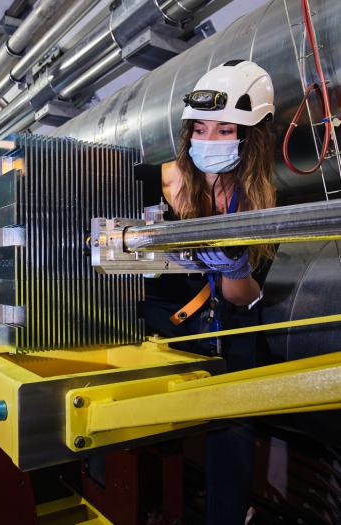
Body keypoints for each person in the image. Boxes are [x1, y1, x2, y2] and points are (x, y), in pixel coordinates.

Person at [140, 60, 277, 524]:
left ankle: (228, 514)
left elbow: (243, 298)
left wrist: (235, 267)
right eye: (200, 129)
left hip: (225, 320)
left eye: (224, 131)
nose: (208, 142)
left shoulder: (261, 204)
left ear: (250, 137)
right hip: (162, 315)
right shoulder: (161, 181)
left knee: (234, 416)